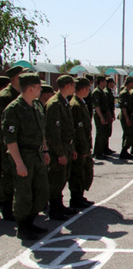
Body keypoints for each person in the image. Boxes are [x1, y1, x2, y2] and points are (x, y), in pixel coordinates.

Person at [2, 73, 50, 239]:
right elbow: (10, 140)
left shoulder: (36, 105)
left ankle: (31, 221)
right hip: (23, 155)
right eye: (38, 87)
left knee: (41, 191)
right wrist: (18, 163)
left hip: (37, 154)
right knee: (24, 193)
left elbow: (42, 130)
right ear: (30, 88)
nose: (40, 90)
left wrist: (45, 150)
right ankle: (23, 227)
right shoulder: (14, 109)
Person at [45, 75, 77, 221]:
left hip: (66, 146)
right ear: (68, 85)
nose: (74, 88)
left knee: (62, 178)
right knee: (56, 179)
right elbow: (53, 133)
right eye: (73, 85)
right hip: (59, 148)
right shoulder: (54, 104)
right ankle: (54, 209)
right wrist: (59, 153)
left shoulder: (64, 102)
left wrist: (72, 148)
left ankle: (60, 206)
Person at [0, 66, 27, 221]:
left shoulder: (20, 95)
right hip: (6, 143)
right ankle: (6, 206)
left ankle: (16, 205)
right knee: (8, 175)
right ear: (16, 78)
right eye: (22, 75)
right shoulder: (5, 96)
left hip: (20, 141)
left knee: (17, 175)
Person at [69, 77, 94, 208]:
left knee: (84, 171)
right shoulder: (75, 105)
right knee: (77, 173)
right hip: (79, 146)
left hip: (83, 144)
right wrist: (82, 148)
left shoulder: (80, 103)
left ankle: (80, 196)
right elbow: (76, 130)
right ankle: (76, 199)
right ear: (84, 89)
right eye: (88, 88)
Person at [91, 76, 110, 159]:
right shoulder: (97, 92)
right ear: (101, 82)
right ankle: (97, 153)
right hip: (100, 114)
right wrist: (101, 117)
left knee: (104, 134)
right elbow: (97, 106)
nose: (106, 83)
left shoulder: (102, 91)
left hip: (104, 114)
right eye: (105, 81)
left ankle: (102, 151)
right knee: (100, 134)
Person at [118, 76, 133, 160]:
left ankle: (125, 151)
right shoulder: (124, 93)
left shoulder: (128, 92)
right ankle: (124, 151)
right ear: (130, 83)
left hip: (128, 115)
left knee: (127, 134)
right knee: (129, 134)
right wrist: (127, 118)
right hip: (126, 116)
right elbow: (123, 107)